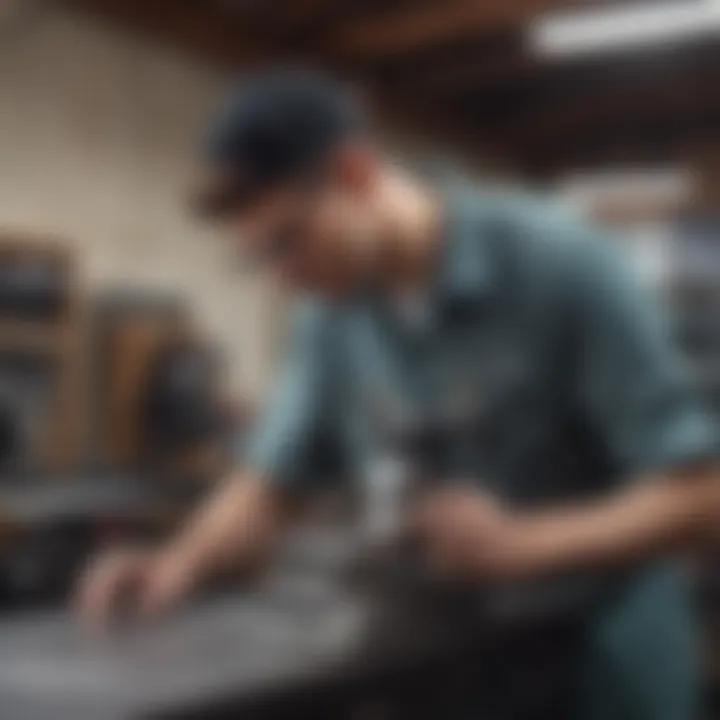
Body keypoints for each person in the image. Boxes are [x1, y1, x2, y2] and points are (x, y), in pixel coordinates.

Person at [77, 68, 719, 719]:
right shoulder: (331, 317)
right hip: (459, 668)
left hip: (600, 671)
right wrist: (178, 565)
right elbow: (269, 482)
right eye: (257, 260)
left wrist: (525, 543)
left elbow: (701, 494)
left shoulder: (560, 262)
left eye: (288, 241)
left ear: (355, 173)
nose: (279, 279)